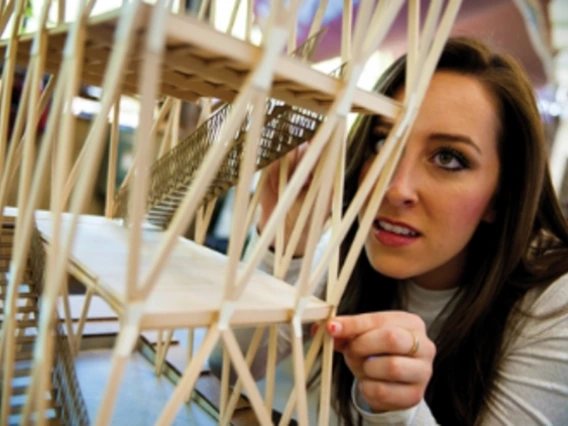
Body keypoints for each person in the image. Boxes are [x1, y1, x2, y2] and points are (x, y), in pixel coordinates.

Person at [209, 37, 568, 425]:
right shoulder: (345, 246)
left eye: (448, 158)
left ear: (501, 197)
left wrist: (400, 410)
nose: (394, 188)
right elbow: (228, 364)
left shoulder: (554, 304)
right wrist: (287, 241)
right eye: (382, 140)